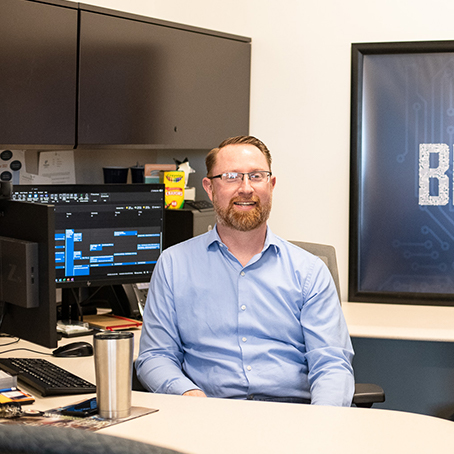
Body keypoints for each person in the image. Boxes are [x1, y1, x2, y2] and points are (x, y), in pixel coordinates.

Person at [136, 135, 355, 406]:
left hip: (291, 418)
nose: (246, 188)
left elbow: (331, 365)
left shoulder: (309, 271)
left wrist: (319, 426)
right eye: (231, 177)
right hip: (208, 416)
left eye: (257, 176)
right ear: (209, 187)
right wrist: (188, 395)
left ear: (271, 185)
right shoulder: (173, 265)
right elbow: (155, 356)